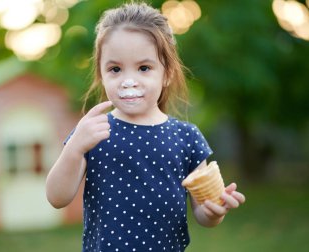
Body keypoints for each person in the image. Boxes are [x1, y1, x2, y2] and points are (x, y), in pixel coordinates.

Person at [46, 2, 245, 251]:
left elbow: (203, 214)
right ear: (101, 74)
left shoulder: (187, 137)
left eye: (144, 68)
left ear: (167, 73)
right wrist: (74, 148)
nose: (129, 81)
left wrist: (215, 212)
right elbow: (56, 197)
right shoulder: (92, 131)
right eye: (115, 69)